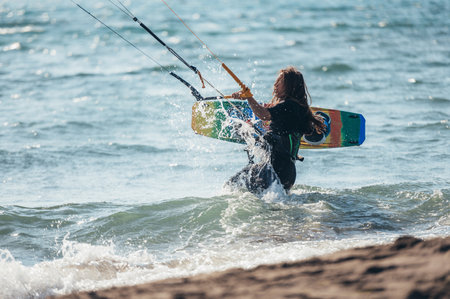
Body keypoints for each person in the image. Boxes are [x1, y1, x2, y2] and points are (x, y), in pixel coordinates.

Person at [225, 66, 326, 194]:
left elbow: (263, 114)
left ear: (289, 86)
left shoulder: (288, 106)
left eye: (279, 82)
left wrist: (249, 98)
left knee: (231, 186)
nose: (275, 85)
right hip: (288, 174)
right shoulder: (299, 110)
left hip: (273, 170)